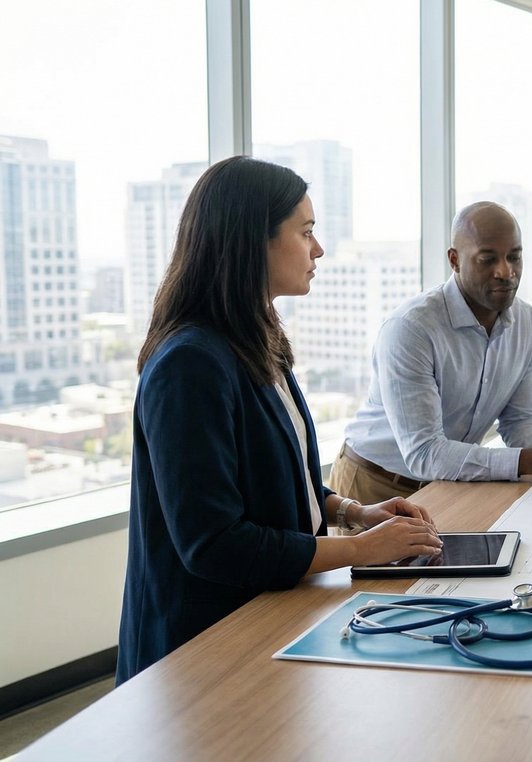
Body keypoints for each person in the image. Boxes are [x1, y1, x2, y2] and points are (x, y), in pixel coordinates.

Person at [118, 157, 443, 683]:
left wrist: (354, 511)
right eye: (306, 232)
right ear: (253, 240)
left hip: (271, 619)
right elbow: (213, 543)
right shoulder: (189, 362)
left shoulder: (258, 339)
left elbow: (272, 474)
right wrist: (360, 551)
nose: (318, 249)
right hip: (203, 649)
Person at [332, 202, 532, 504]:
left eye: (514, 257)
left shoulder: (527, 323)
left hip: (451, 481)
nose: (506, 271)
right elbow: (424, 452)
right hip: (376, 483)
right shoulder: (411, 328)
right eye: (488, 259)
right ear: (455, 260)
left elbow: (520, 420)